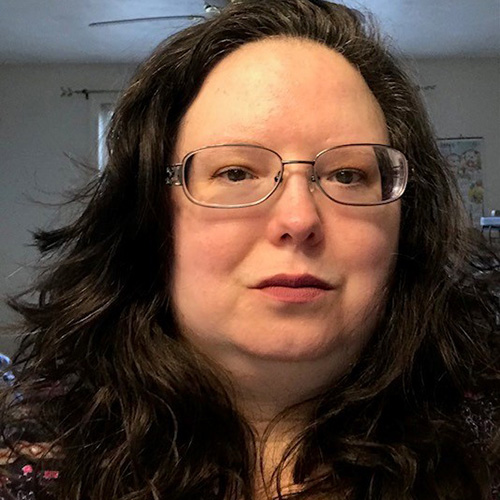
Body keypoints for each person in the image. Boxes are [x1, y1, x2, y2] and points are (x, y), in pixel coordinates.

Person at [0, 0, 498, 498]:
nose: (299, 219)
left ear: (406, 226)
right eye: (235, 172)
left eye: (348, 175)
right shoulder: (32, 469)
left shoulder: (484, 457)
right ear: (152, 217)